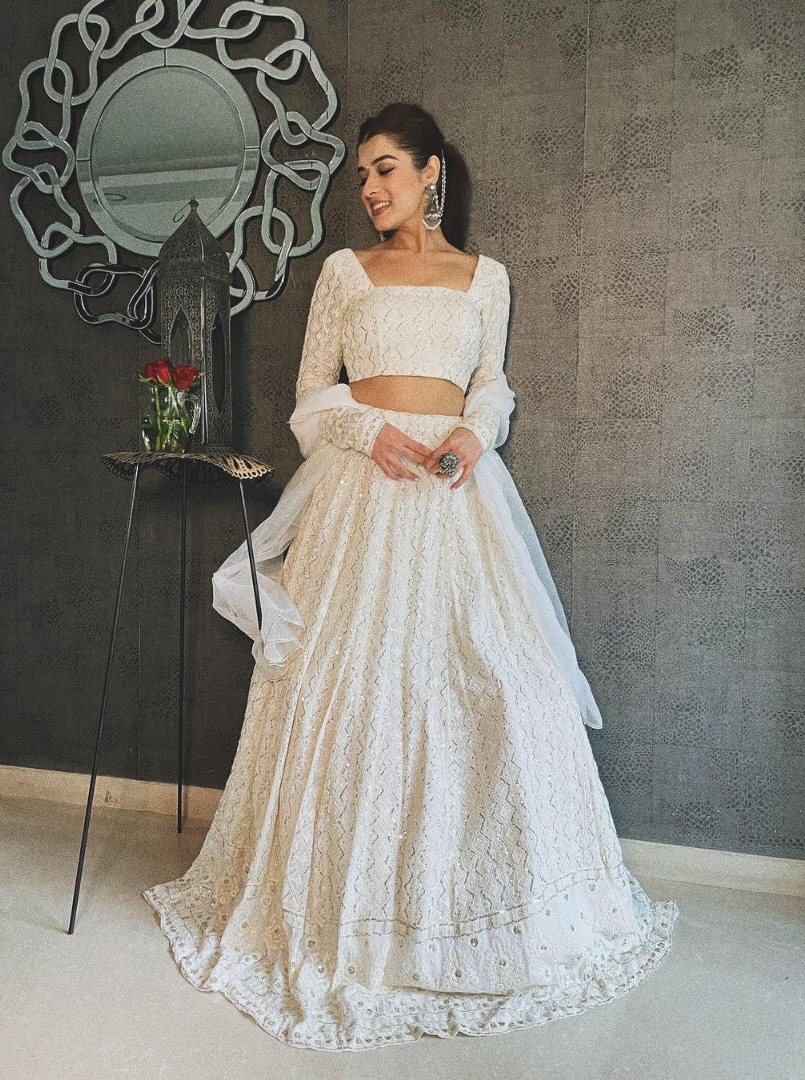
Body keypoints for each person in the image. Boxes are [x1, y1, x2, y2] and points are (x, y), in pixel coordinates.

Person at [143, 103, 679, 1052]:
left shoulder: (488, 279)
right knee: (345, 689)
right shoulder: (345, 273)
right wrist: (368, 431)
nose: (371, 190)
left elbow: (493, 383)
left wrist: (474, 432)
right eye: (362, 176)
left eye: (386, 170)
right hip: (364, 483)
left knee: (494, 682)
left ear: (433, 173)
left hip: (458, 488)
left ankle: (474, 913)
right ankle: (340, 917)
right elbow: (313, 396)